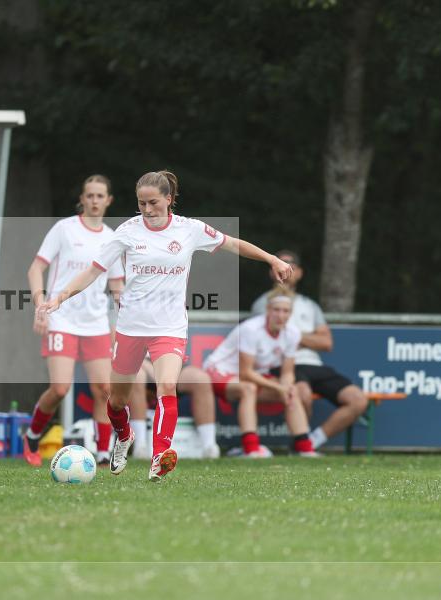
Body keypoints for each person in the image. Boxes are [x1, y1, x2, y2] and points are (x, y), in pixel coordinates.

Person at [37, 170, 292, 481]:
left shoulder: (190, 230)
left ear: (169, 199)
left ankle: (160, 456)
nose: (147, 209)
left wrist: (272, 260)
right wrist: (59, 297)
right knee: (116, 401)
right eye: (141, 203)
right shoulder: (127, 232)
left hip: (169, 328)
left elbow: (233, 244)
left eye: (153, 203)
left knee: (166, 386)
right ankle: (124, 434)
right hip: (130, 328)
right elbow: (93, 271)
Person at [24, 175, 125, 467]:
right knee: (60, 388)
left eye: (100, 196)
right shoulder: (64, 229)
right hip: (61, 319)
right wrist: (40, 305)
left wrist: (119, 324)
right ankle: (32, 435)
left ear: (109, 200)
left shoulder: (112, 238)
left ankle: (104, 452)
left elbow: (117, 286)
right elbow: (35, 268)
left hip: (95, 323)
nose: (94, 201)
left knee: (104, 389)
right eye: (89, 195)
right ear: (82, 199)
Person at [250, 250, 368, 450]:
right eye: (281, 263)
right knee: (301, 392)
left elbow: (326, 343)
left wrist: (295, 336)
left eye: (291, 266)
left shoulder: (310, 306)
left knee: (358, 400)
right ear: (272, 271)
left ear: (299, 273)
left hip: (313, 364)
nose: (286, 269)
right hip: (283, 365)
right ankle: (301, 442)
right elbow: (271, 339)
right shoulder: (263, 303)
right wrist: (306, 338)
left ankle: (312, 441)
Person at [203, 287, 318, 457]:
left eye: (285, 311)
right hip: (218, 371)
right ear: (268, 310)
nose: (281, 315)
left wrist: (286, 386)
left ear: (290, 313)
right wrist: (279, 388)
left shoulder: (293, 333)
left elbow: (287, 372)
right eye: (276, 310)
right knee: (248, 388)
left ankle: (304, 448)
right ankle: (251, 449)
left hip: (250, 376)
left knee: (294, 391)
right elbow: (245, 373)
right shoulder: (251, 329)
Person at [130, 360, 221, 459]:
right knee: (137, 376)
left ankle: (209, 446)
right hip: (137, 364)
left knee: (201, 379)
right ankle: (140, 446)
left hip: (170, 363)